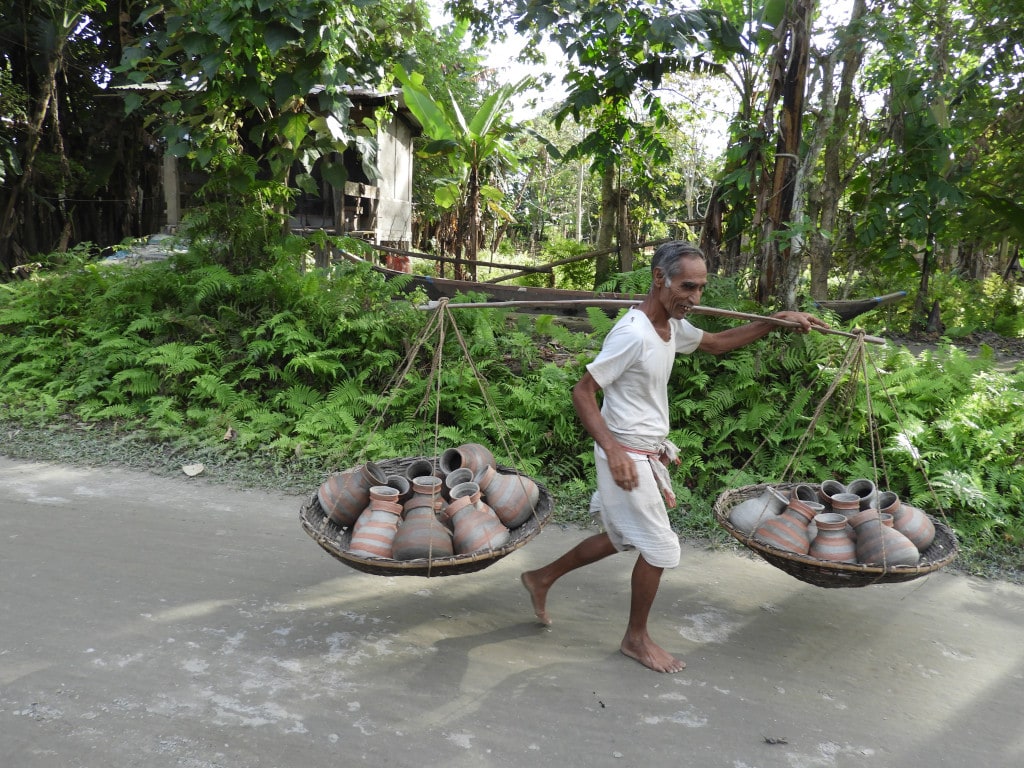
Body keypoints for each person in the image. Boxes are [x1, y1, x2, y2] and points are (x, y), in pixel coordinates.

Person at [520, 241, 830, 673]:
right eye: (688, 286)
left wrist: (774, 322)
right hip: (624, 453)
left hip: (645, 451)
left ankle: (541, 577)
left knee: (622, 536)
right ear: (659, 279)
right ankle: (635, 639)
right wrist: (613, 452)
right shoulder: (632, 333)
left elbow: (719, 343)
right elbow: (583, 392)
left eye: (701, 288)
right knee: (661, 549)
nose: (696, 298)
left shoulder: (671, 325)